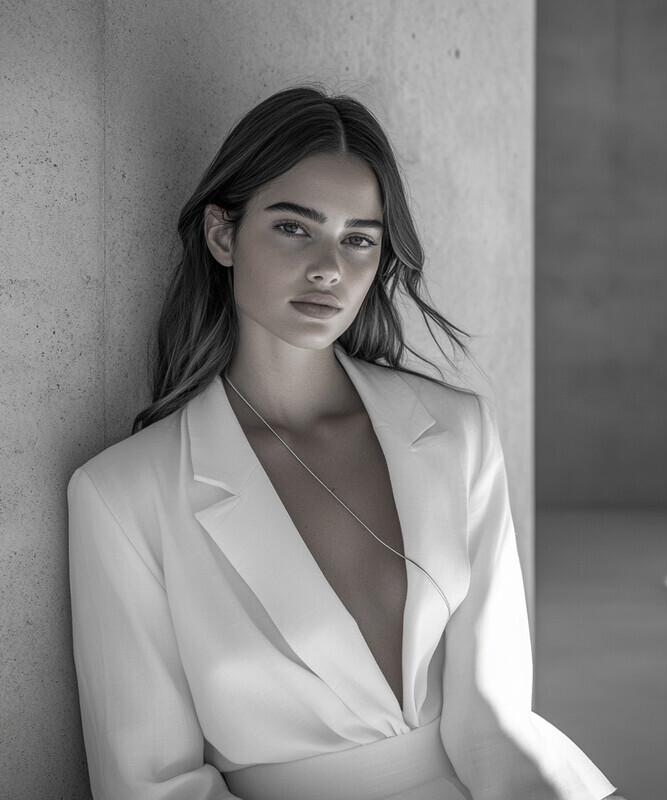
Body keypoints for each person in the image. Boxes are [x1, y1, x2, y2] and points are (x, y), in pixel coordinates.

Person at [68, 86, 618, 800]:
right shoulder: (123, 496)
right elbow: (153, 787)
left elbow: (495, 720)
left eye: (358, 238)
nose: (329, 267)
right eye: (295, 229)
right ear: (222, 235)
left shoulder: (457, 432)